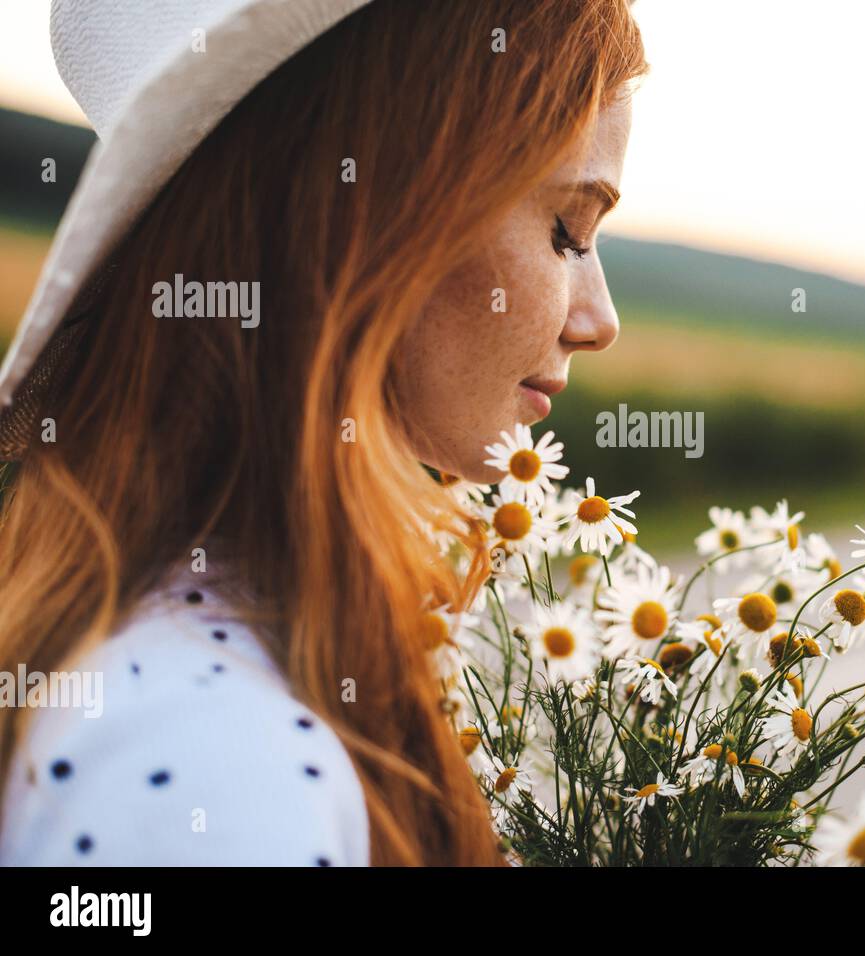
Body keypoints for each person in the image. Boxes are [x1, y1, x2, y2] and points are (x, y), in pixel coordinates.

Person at [0, 0, 645, 866]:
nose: (599, 322)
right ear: (362, 214)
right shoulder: (211, 761)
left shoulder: (235, 654)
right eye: (568, 229)